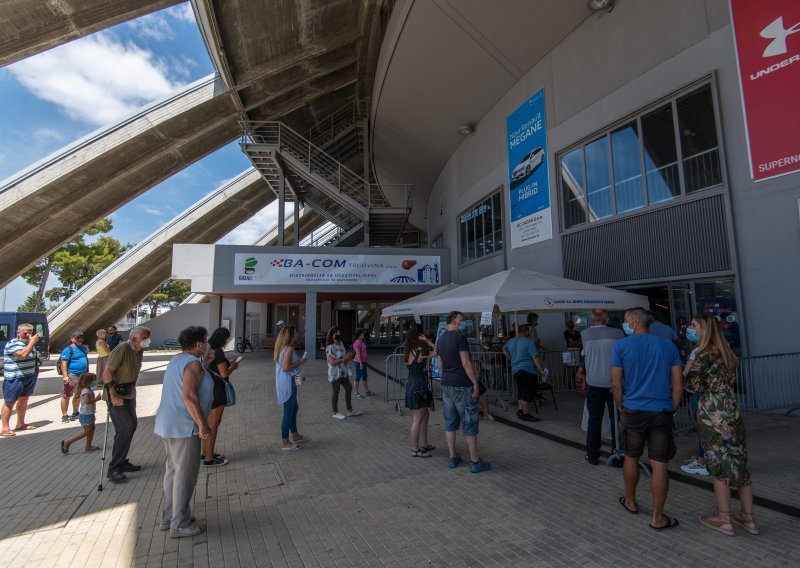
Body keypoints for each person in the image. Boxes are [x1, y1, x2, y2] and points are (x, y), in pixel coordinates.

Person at [683, 314, 758, 536]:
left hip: (712, 413)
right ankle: (748, 518)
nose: (690, 328)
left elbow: (690, 385)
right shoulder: (727, 353)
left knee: (718, 466)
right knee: (741, 465)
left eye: (694, 325)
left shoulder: (703, 354)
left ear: (704, 329)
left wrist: (686, 369)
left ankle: (724, 519)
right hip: (731, 411)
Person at [611, 307, 683, 530]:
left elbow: (616, 383)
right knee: (660, 463)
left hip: (633, 410)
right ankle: (657, 516)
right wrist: (673, 408)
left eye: (625, 320)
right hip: (661, 410)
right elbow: (678, 385)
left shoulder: (621, 346)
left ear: (634, 322)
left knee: (631, 456)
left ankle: (631, 501)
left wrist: (621, 406)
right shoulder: (668, 346)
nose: (624, 324)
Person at [154, 325, 213, 538]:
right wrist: (202, 424)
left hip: (168, 424)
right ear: (198, 344)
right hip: (184, 426)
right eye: (205, 341)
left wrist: (205, 365)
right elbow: (189, 396)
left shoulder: (178, 360)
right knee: (185, 475)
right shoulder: (192, 365)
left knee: (173, 471)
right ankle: (179, 523)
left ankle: (169, 516)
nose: (207, 345)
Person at [436, 311, 491, 473]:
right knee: (469, 422)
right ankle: (475, 461)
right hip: (462, 384)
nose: (464, 322)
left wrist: (446, 378)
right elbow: (466, 362)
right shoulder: (460, 338)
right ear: (454, 321)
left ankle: (453, 457)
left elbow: (440, 366)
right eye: (461, 320)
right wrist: (474, 382)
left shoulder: (440, 339)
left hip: (446, 384)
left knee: (450, 422)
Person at [102, 325, 150, 483]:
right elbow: (108, 371)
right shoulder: (122, 348)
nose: (147, 341)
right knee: (125, 428)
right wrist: (112, 394)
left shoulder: (139, 350)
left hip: (129, 393)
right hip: (116, 393)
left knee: (132, 426)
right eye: (145, 338)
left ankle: (122, 461)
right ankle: (113, 468)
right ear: (134, 339)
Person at [578, 309, 625, 465]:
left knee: (594, 419)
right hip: (615, 382)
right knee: (616, 419)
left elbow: (585, 356)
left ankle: (592, 455)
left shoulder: (585, 334)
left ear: (591, 320)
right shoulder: (618, 333)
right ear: (607, 319)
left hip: (594, 382)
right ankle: (617, 455)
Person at [202, 327, 239, 466]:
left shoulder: (209, 351)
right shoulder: (218, 352)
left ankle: (204, 452)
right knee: (214, 424)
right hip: (218, 391)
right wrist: (233, 367)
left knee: (207, 424)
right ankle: (209, 458)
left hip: (209, 390)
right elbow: (224, 374)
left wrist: (229, 362)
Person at [1, 323, 40, 436]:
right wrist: (32, 342)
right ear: (18, 333)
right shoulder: (13, 344)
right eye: (25, 332)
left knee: (24, 400)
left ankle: (20, 424)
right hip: (15, 378)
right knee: (10, 402)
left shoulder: (29, 344)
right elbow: (22, 355)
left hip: (28, 376)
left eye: (30, 332)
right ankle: (5, 428)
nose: (28, 335)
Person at [274, 325, 309, 451]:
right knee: (288, 412)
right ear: (291, 335)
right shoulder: (288, 348)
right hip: (288, 383)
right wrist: (300, 362)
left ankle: (295, 435)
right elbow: (285, 367)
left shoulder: (283, 347)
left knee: (294, 408)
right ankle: (285, 442)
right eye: (296, 333)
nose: (298, 334)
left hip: (286, 382)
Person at [503, 324, 545, 423]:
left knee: (521, 390)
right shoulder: (528, 342)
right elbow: (535, 357)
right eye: (528, 331)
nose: (529, 333)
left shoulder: (511, 341)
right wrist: (542, 370)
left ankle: (521, 410)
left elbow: (503, 349)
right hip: (528, 370)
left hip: (516, 370)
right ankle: (526, 414)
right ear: (525, 331)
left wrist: (511, 358)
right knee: (527, 391)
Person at [404, 328, 436, 457]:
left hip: (412, 383)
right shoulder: (420, 352)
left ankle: (423, 444)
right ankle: (415, 449)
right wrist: (427, 341)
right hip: (419, 385)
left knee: (425, 415)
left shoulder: (407, 352)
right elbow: (439, 351)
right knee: (417, 419)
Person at [325, 327, 361, 419]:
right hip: (335, 373)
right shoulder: (330, 347)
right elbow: (332, 362)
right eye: (337, 333)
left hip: (343, 371)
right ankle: (335, 412)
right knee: (336, 391)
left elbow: (343, 356)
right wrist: (344, 359)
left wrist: (348, 356)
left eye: (339, 332)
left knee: (349, 388)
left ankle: (349, 410)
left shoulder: (341, 344)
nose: (339, 334)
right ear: (333, 335)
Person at [60, 372, 101, 453]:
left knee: (92, 429)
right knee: (87, 431)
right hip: (86, 414)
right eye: (93, 380)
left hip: (89, 413)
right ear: (88, 382)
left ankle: (88, 446)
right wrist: (96, 399)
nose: (94, 382)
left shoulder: (87, 390)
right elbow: (87, 401)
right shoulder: (86, 391)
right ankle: (68, 442)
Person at [60, 331, 89, 422]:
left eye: (81, 338)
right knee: (67, 395)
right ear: (72, 339)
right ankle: (64, 415)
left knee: (78, 394)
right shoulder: (68, 349)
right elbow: (63, 363)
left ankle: (75, 412)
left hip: (82, 375)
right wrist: (65, 376)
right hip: (72, 375)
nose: (80, 339)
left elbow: (85, 359)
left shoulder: (83, 348)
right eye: (77, 338)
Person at [351, 329, 375, 398]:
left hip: (363, 362)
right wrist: (361, 363)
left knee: (364, 376)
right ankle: (356, 393)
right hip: (359, 362)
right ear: (360, 334)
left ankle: (367, 391)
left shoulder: (361, 341)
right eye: (363, 333)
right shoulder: (357, 342)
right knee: (358, 377)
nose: (364, 334)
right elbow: (358, 353)